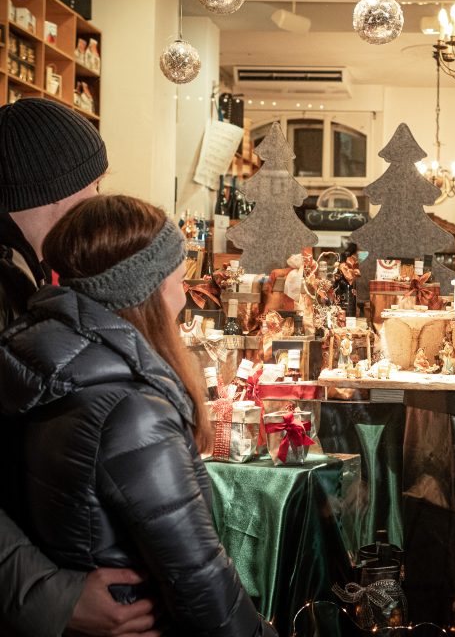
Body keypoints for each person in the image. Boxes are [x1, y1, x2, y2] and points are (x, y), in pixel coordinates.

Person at [0, 194, 275, 636]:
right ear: (146, 288)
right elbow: (201, 581)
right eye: (178, 276)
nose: (185, 293)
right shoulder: (133, 411)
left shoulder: (52, 370)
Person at [0, 98, 160, 636]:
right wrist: (57, 597)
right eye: (95, 185)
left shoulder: (25, 273)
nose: (99, 200)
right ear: (63, 191)